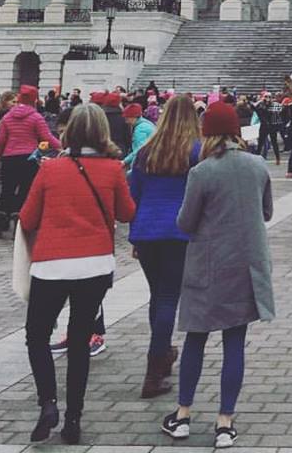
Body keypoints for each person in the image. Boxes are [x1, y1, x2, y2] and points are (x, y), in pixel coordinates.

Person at [19, 103, 136, 444]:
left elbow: (27, 218)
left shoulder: (50, 169)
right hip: (95, 265)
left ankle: (48, 403)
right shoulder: (113, 169)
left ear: (68, 131)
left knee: (37, 335)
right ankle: (74, 419)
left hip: (52, 264)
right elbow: (127, 214)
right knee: (81, 340)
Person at [161, 101, 274, 449]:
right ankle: (225, 422)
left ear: (206, 133)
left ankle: (182, 415)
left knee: (196, 339)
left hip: (207, 267)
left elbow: (185, 222)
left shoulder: (202, 171)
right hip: (245, 266)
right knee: (234, 343)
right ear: (237, 132)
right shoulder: (257, 165)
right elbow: (267, 212)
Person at [129, 94, 202, 399]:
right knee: (169, 297)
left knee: (157, 296)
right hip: (179, 232)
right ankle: (154, 368)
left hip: (147, 231)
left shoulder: (146, 151)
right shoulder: (196, 151)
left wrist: (134, 234)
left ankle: (161, 353)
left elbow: (135, 194)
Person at [0, 85, 60, 217]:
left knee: (7, 189)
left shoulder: (7, 117)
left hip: (9, 158)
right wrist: (61, 147)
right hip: (29, 158)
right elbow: (46, 137)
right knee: (25, 190)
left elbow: (1, 139)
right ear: (35, 100)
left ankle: (0, 220)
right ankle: (18, 217)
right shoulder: (36, 117)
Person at [121, 102, 157, 170]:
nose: (126, 122)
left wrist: (124, 161)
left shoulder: (140, 130)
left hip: (143, 165)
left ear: (133, 117)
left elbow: (139, 150)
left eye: (127, 118)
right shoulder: (147, 123)